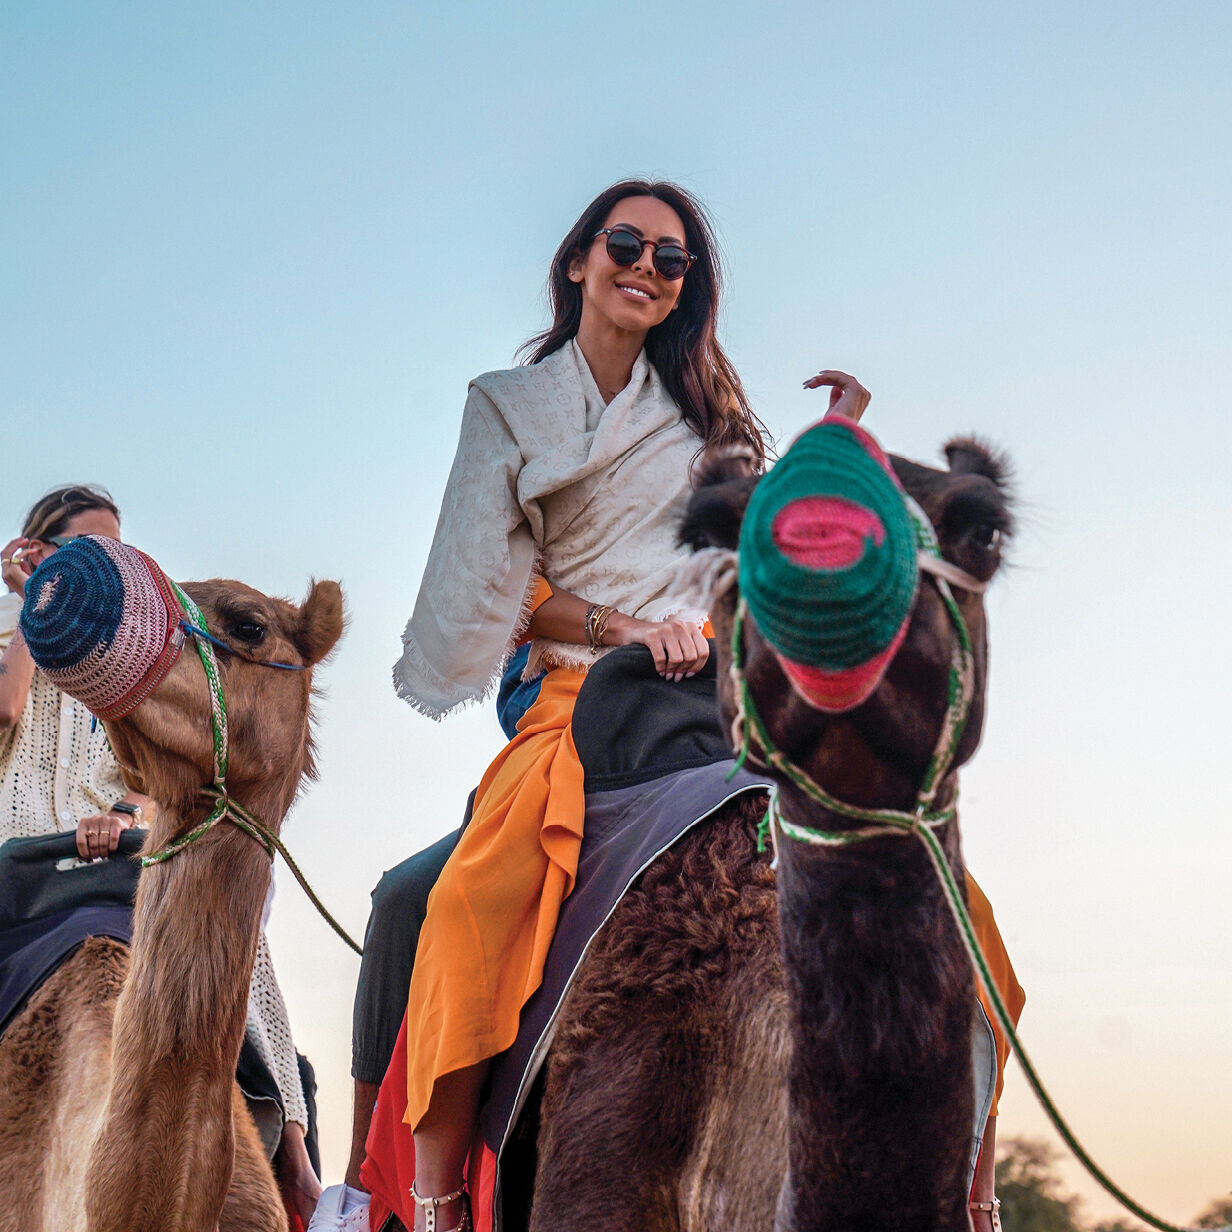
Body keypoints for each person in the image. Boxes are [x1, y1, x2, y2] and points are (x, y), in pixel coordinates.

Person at [0, 484, 322, 1226]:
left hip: (121, 859)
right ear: (35, 554)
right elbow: (6, 709)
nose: (102, 568)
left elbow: (159, 782)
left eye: (114, 554)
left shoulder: (137, 671)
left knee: (235, 947)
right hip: (24, 868)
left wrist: (124, 812)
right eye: (82, 552)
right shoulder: (16, 640)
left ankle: (296, 1157)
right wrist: (33, 611)